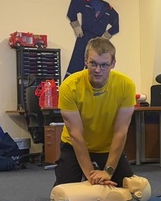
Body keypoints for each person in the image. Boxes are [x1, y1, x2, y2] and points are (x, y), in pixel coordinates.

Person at [53, 37, 135, 188]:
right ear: (86, 61)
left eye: (104, 65)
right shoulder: (69, 86)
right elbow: (76, 134)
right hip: (75, 145)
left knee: (132, 191)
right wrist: (92, 176)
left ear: (113, 64)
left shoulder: (126, 85)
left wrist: (108, 171)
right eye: (93, 63)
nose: (98, 70)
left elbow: (121, 132)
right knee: (62, 193)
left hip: (108, 147)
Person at [65, 0, 120, 79]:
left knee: (95, 66)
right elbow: (72, 9)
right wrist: (76, 27)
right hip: (83, 36)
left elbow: (116, 27)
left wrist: (104, 38)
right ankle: (68, 85)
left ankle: (92, 86)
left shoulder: (109, 9)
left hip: (97, 41)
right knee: (75, 65)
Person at [50, 175, 152, 201]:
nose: (135, 176)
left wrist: (108, 172)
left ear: (138, 194)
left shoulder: (117, 194)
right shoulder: (117, 192)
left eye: (139, 180)